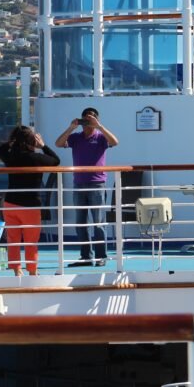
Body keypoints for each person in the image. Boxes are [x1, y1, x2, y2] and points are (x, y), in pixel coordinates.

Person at [56, 107, 119, 267]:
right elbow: (59, 143)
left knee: (98, 223)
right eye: (84, 120)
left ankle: (100, 257)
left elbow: (114, 142)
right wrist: (72, 127)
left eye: (89, 121)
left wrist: (99, 126)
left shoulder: (100, 137)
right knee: (81, 223)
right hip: (79, 184)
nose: (86, 124)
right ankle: (85, 257)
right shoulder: (76, 137)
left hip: (97, 184)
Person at [0, 125, 59, 276]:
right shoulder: (36, 158)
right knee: (31, 241)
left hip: (11, 203)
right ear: (33, 142)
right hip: (30, 205)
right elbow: (56, 160)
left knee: (13, 239)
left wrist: (12, 141)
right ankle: (32, 271)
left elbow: (0, 150)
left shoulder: (11, 157)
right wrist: (43, 146)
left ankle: (17, 270)